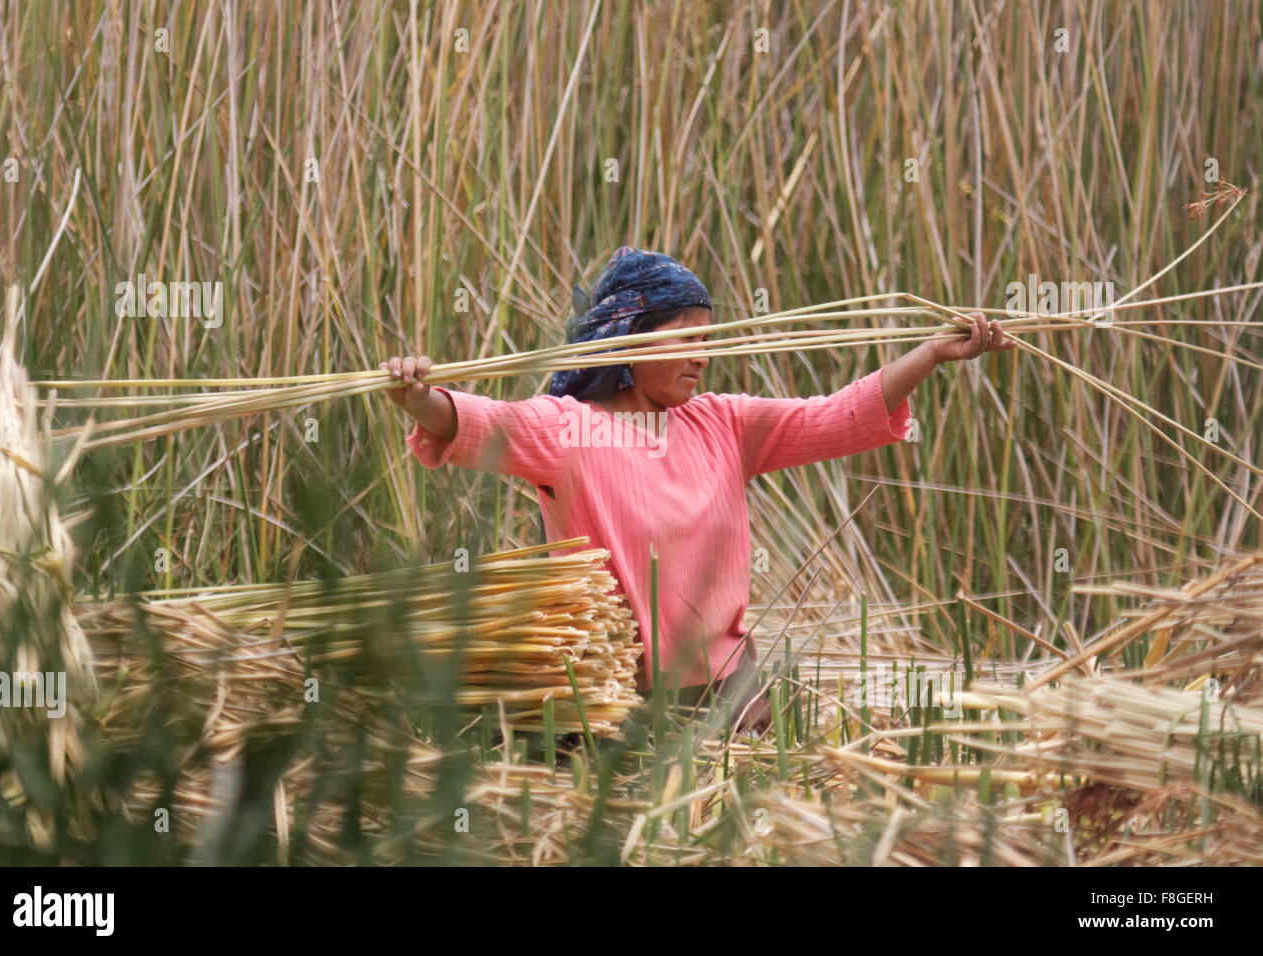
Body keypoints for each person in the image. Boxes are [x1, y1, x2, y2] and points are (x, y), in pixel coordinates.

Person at [381, 246, 1012, 737]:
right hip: (613, 702)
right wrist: (417, 397)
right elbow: (476, 420)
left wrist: (929, 355)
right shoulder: (567, 431)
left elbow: (838, 414)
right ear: (628, 335)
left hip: (729, 698)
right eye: (686, 338)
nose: (702, 357)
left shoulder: (722, 424)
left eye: (708, 340)